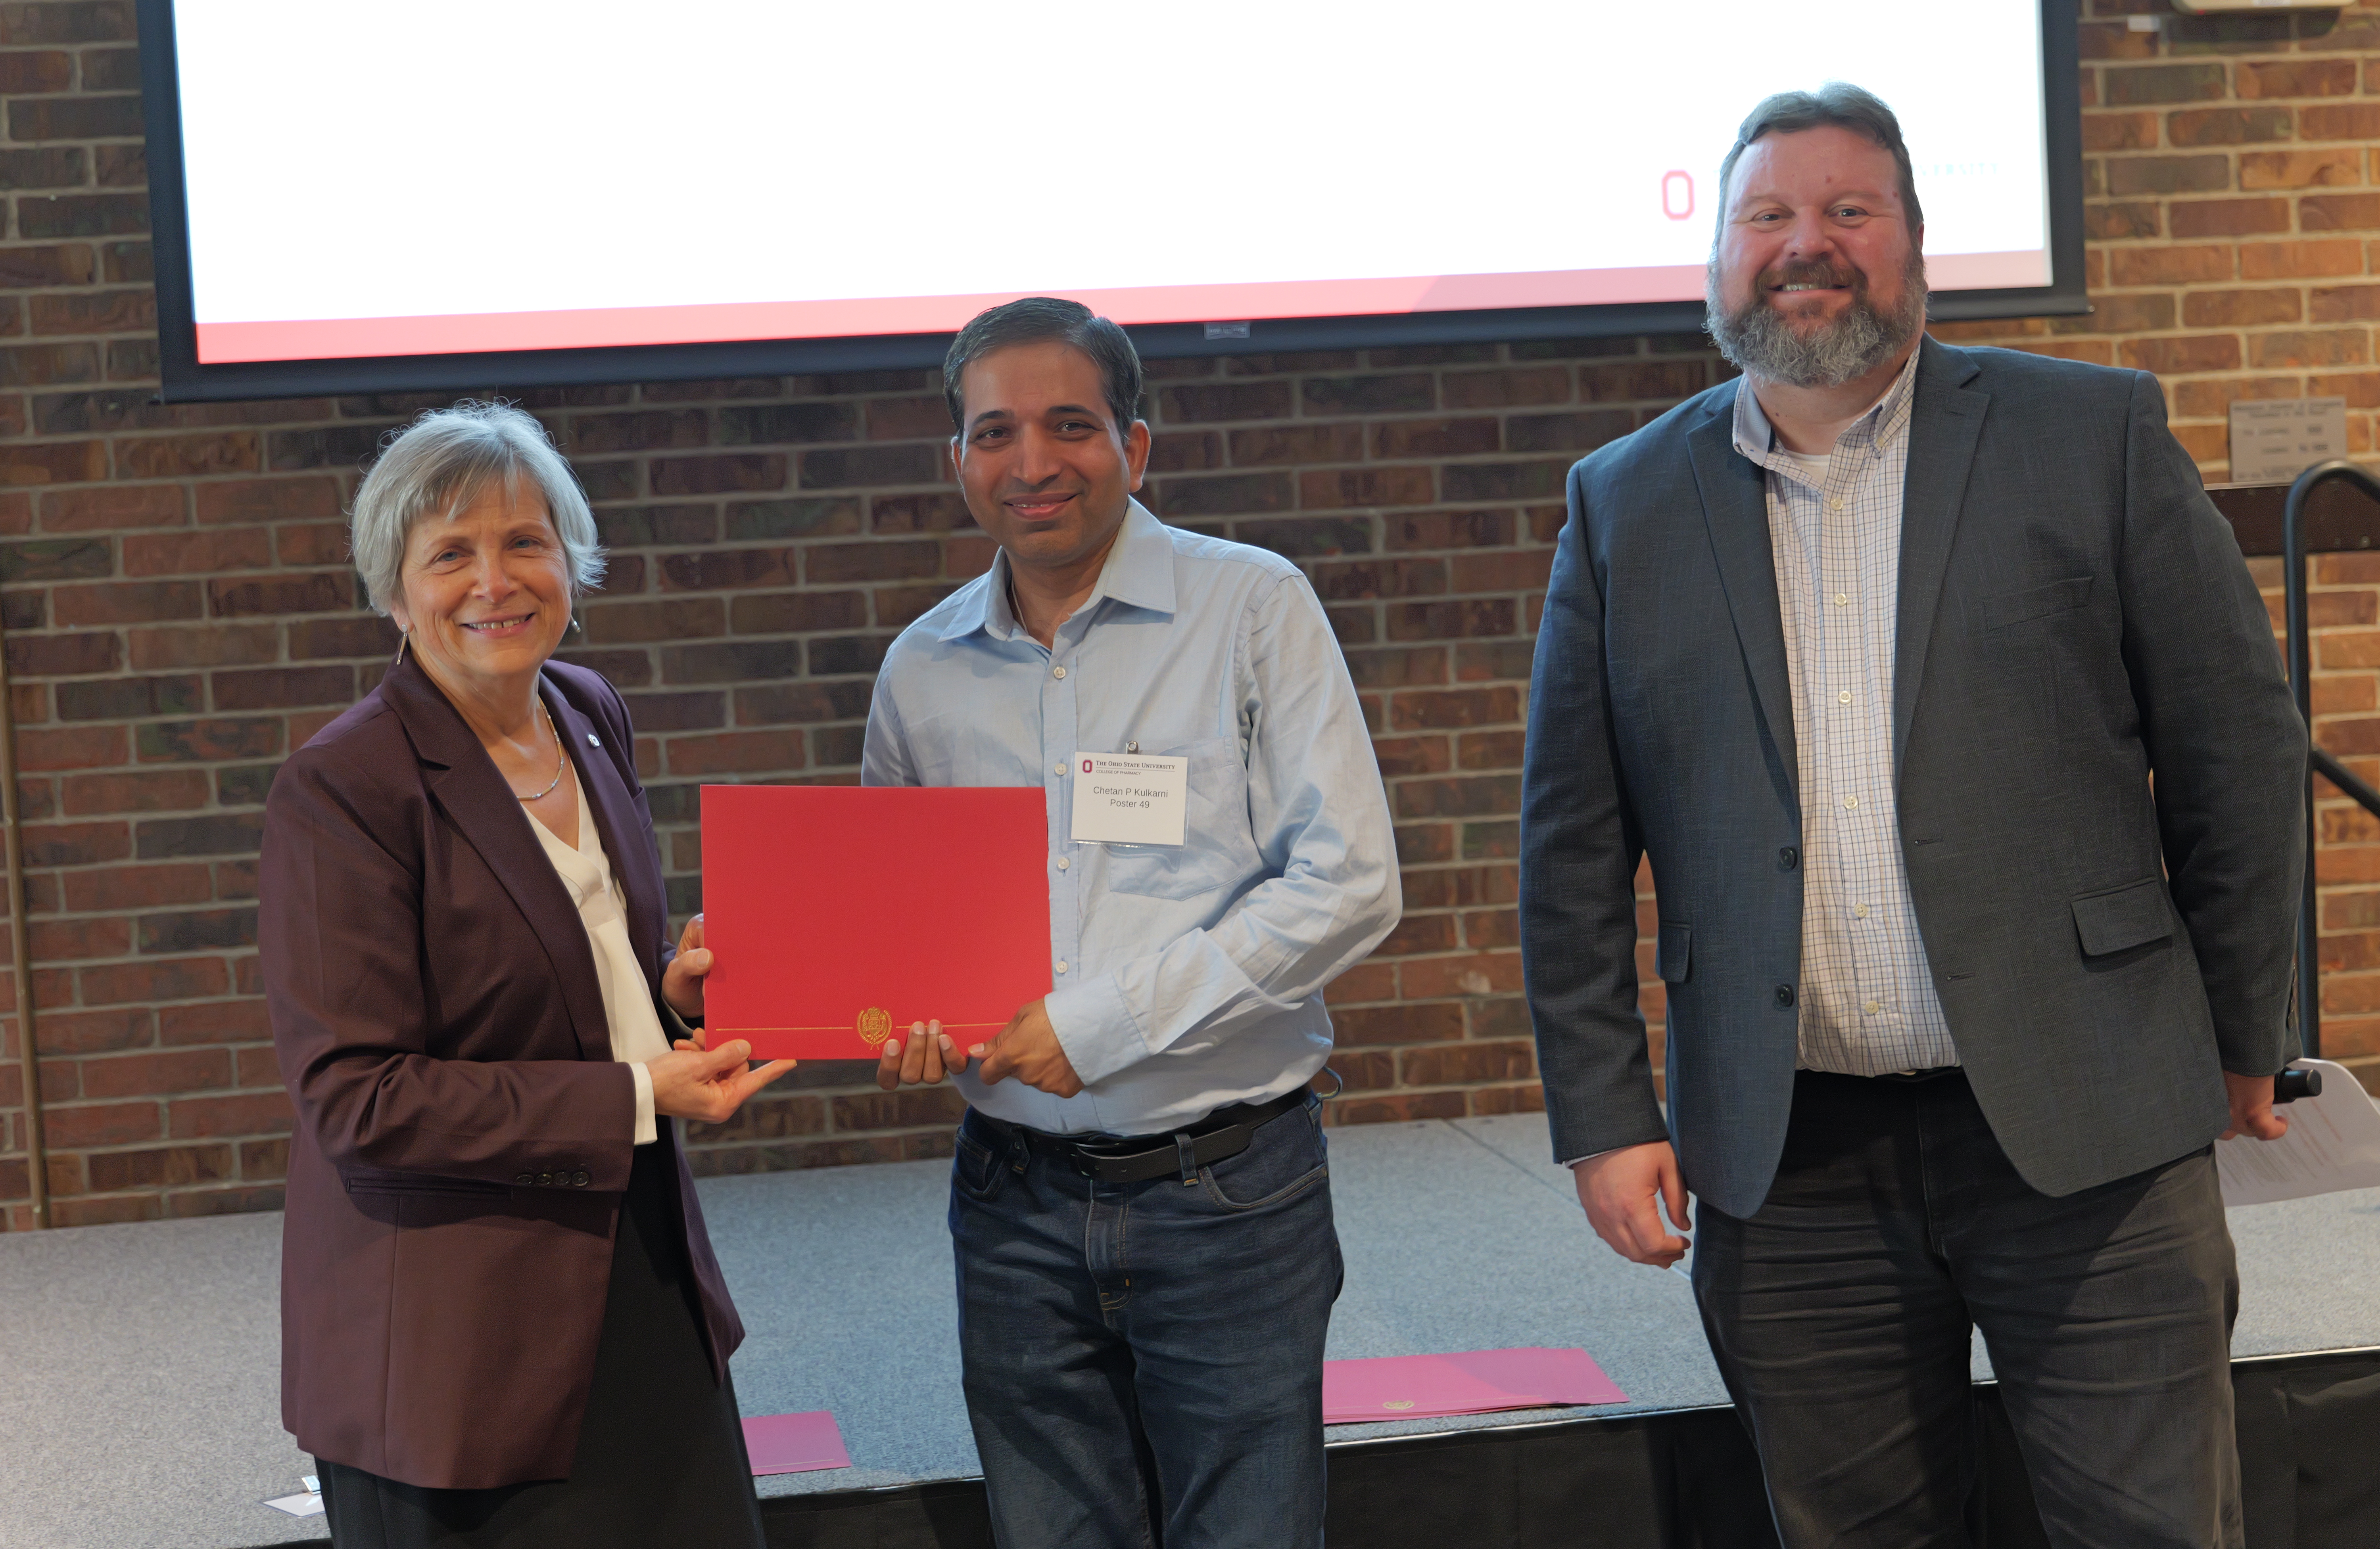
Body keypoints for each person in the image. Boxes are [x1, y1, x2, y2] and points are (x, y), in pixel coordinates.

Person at [1519, 84, 2305, 1547]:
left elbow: (2237, 750)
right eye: (1767, 214)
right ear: (1718, 253)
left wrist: (2243, 1029)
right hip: (1789, 1163)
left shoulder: (2090, 433)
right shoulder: (1625, 503)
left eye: (1847, 210)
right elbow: (1569, 844)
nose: (1803, 243)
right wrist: (1605, 1116)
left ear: (1916, 243)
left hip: (2094, 1123)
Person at [861, 297, 1399, 1548]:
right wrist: (883, 1011)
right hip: (1010, 1201)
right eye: (995, 433)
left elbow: (1351, 882)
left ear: (1135, 445)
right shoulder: (921, 670)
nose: (1032, 462)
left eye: (1070, 425)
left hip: (1228, 1194)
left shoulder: (1252, 608)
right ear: (958, 462)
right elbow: (899, 929)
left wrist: (1103, 1024)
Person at [259, 401, 795, 1548]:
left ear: (571, 561)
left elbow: (573, 975)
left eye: (524, 542)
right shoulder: (345, 786)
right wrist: (640, 1093)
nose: (494, 581)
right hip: (458, 1343)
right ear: (395, 589)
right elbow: (359, 1100)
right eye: (451, 553)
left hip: (642, 1277)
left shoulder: (587, 711)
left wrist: (668, 1001)